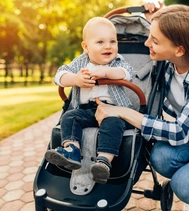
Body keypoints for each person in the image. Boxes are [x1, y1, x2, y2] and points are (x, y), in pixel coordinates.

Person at [95, 3, 189, 211]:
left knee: (184, 187)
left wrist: (122, 111)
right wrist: (157, 11)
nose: (147, 43)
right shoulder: (167, 62)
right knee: (159, 157)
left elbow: (179, 131)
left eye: (154, 40)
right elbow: (175, 26)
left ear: (180, 49)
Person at [45, 17, 133, 184]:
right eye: (100, 42)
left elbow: (127, 73)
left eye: (112, 41)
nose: (108, 46)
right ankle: (72, 151)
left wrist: (106, 72)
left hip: (111, 110)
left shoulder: (117, 62)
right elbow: (59, 75)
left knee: (114, 125)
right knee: (69, 117)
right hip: (85, 110)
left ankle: (103, 162)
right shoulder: (81, 62)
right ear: (86, 47)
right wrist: (75, 79)